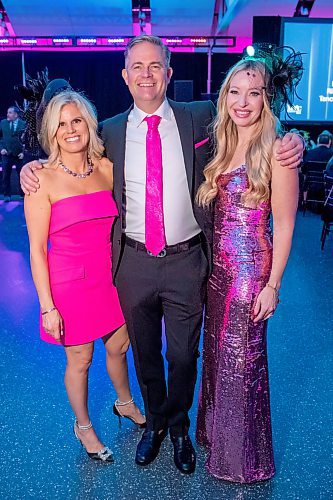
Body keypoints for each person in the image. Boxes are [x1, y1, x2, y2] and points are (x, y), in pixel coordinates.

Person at [20, 35, 304, 474]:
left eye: (156, 66)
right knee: (146, 353)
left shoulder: (202, 117)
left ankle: (178, 427)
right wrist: (31, 166)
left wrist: (293, 141)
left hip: (188, 260)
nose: (147, 74)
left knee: (184, 355)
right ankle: (153, 423)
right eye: (138, 66)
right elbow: (69, 158)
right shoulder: (109, 133)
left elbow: (250, 123)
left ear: (169, 73)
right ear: (125, 75)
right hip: (132, 263)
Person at [24, 90, 145, 463]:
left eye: (76, 120)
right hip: (68, 285)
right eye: (61, 124)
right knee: (81, 359)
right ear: (51, 131)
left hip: (110, 277)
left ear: (89, 124)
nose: (70, 130)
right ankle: (84, 427)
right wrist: (48, 307)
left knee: (119, 346)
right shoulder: (40, 179)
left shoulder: (107, 168)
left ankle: (124, 402)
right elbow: (37, 250)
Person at [196, 53, 300, 482]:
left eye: (253, 93)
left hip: (248, 272)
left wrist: (273, 285)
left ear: (266, 98)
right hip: (217, 274)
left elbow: (288, 222)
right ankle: (216, 438)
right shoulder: (224, 140)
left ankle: (243, 461)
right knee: (218, 356)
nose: (242, 102)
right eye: (234, 92)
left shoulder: (278, 148)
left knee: (242, 362)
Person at [0, 106, 26, 201]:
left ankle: (22, 195)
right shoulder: (3, 123)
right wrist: (1, 148)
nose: (8, 114)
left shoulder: (23, 124)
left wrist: (24, 153)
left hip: (19, 155)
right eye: (8, 112)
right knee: (5, 175)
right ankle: (7, 195)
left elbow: (27, 140)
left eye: (10, 112)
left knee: (22, 175)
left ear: (16, 114)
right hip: (6, 154)